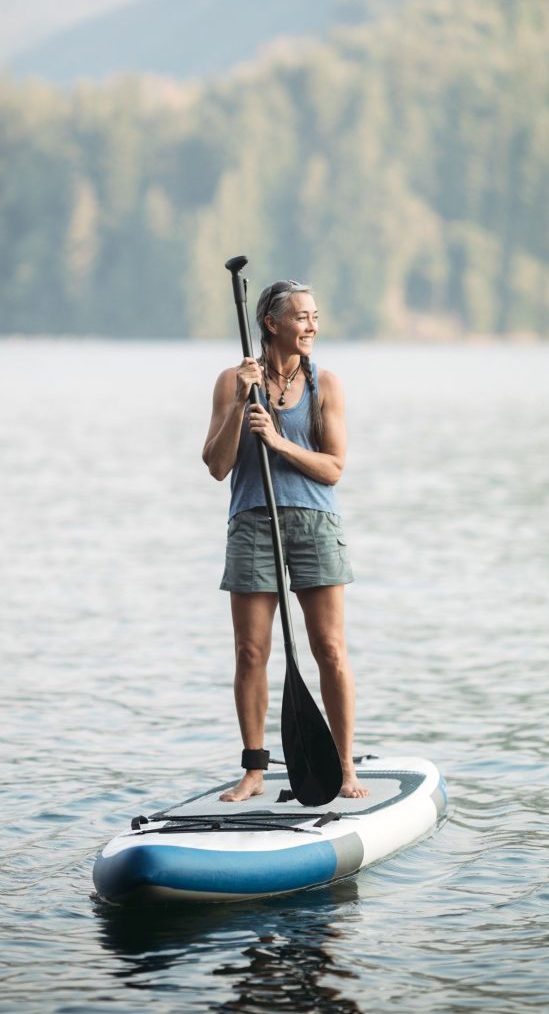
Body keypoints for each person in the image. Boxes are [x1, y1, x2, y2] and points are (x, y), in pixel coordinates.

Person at [203, 279, 368, 802]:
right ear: (272, 324)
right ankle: (255, 769)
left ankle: (344, 767)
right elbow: (216, 465)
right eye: (302, 317)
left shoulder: (327, 384)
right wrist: (238, 406)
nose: (313, 326)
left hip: (315, 524)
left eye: (315, 316)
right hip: (253, 519)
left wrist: (277, 441)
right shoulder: (233, 380)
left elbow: (334, 468)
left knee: (330, 649)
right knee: (251, 652)